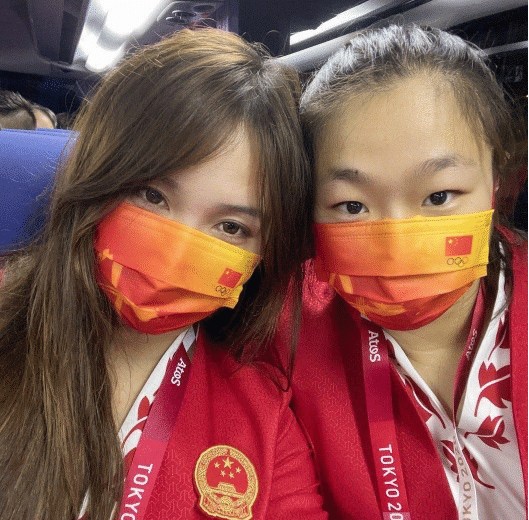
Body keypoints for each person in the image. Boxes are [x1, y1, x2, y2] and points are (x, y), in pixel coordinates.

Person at [0, 28, 326, 520]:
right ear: (97, 180)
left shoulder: (266, 419)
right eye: (152, 195)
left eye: (231, 227)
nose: (174, 254)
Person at [287, 24, 527, 519]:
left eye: (439, 196)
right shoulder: (280, 338)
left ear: (496, 180)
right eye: (352, 206)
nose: (396, 247)